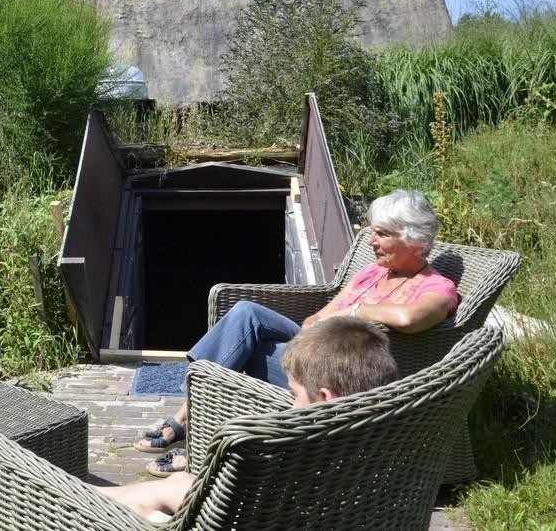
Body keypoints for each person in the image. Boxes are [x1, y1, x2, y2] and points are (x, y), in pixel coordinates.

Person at [135, 188, 457, 475]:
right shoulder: (373, 273)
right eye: (372, 232)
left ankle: (194, 441)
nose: (371, 241)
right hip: (315, 347)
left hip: (337, 372)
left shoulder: (435, 287)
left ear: (414, 241)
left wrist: (354, 312)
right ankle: (188, 413)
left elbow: (409, 318)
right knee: (247, 314)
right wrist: (325, 321)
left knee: (247, 350)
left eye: (382, 234)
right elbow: (316, 319)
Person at [103, 316, 399, 520]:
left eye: (295, 394)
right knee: (175, 483)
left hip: (244, 515)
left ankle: (84, 495)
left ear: (324, 398)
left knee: (167, 490)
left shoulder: (302, 452)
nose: (291, 404)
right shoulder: (382, 446)